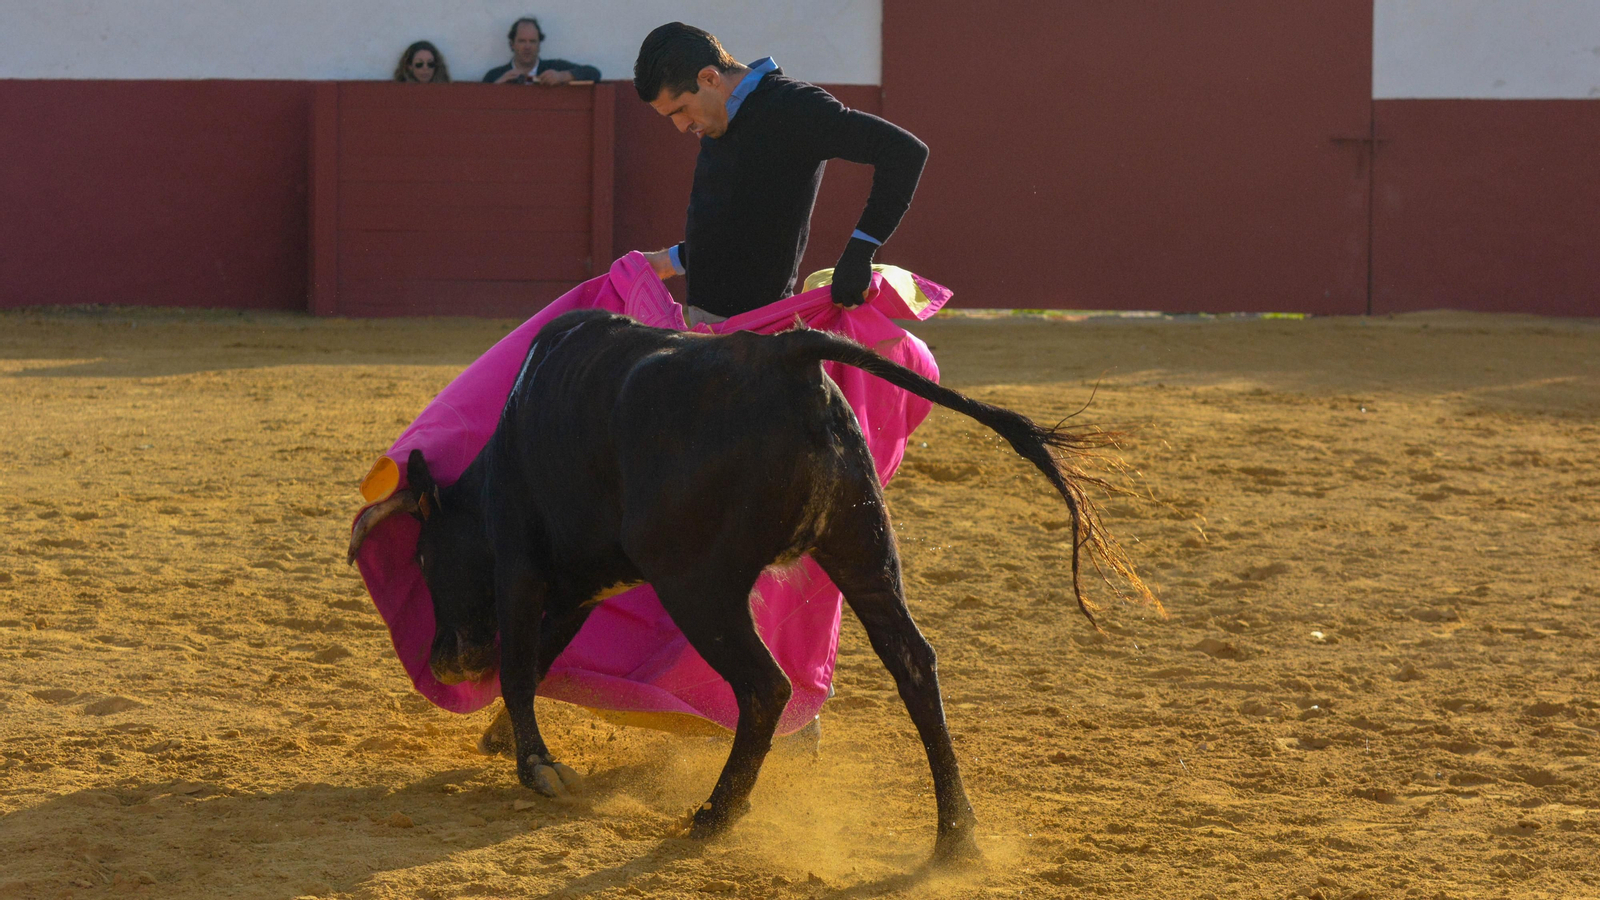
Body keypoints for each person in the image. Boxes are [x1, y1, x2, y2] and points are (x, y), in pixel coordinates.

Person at [632, 22, 928, 326]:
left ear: (709, 78)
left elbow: (904, 151)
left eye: (680, 110)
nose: (682, 126)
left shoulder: (794, 106)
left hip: (762, 334)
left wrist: (862, 249)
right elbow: (738, 225)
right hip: (712, 327)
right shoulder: (719, 118)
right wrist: (666, 262)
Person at [482, 16, 600, 84]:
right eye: (522, 41)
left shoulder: (555, 67)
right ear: (512, 44)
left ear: (539, 45)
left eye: (532, 41)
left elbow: (594, 73)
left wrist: (562, 76)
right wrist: (497, 86)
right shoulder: (495, 75)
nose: (527, 46)